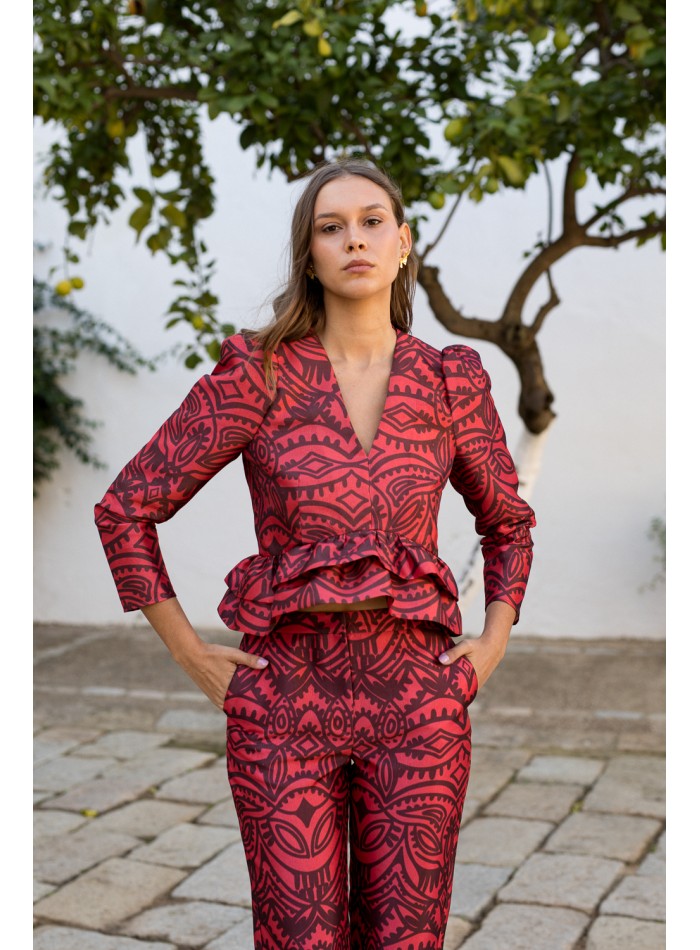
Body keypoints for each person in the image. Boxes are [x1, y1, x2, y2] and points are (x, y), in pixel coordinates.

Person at [95, 158, 536, 950]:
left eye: (372, 222)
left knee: (406, 939)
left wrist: (493, 644)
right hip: (283, 709)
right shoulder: (257, 374)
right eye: (331, 228)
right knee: (297, 939)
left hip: (419, 706)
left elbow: (507, 522)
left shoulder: (450, 380)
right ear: (309, 254)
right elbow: (126, 509)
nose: (354, 240)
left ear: (403, 243)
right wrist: (192, 654)